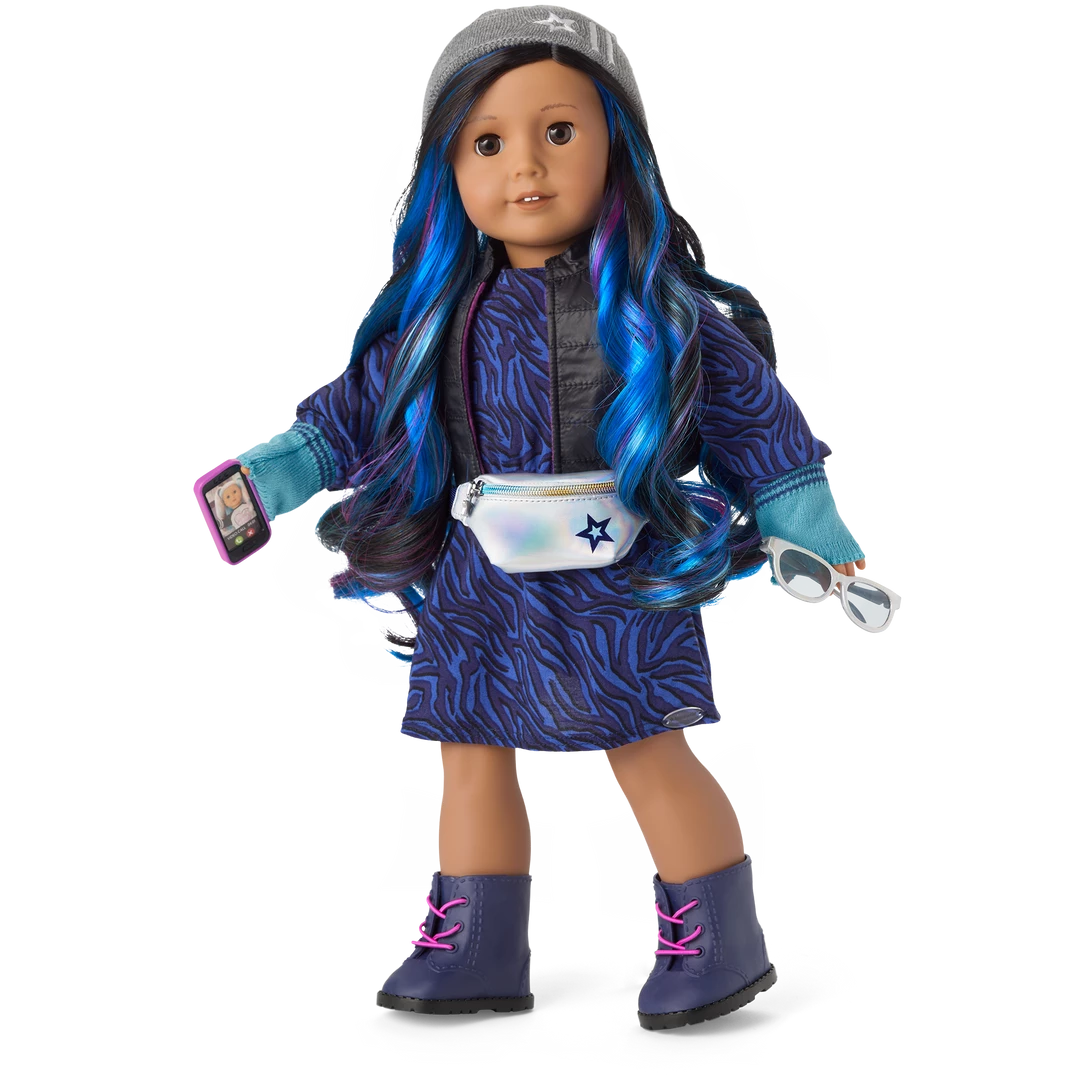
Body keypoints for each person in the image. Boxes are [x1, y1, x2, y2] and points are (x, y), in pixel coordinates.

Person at [214, 6, 870, 1027]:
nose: (525, 165)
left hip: (621, 574)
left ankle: (720, 937)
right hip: (478, 581)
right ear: (448, 170)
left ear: (618, 144)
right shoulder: (438, 325)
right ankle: (475, 940)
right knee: (469, 752)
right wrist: (268, 481)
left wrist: (817, 538)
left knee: (648, 747)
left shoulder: (667, 319)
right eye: (488, 142)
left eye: (558, 131)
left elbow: (766, 436)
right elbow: (345, 420)